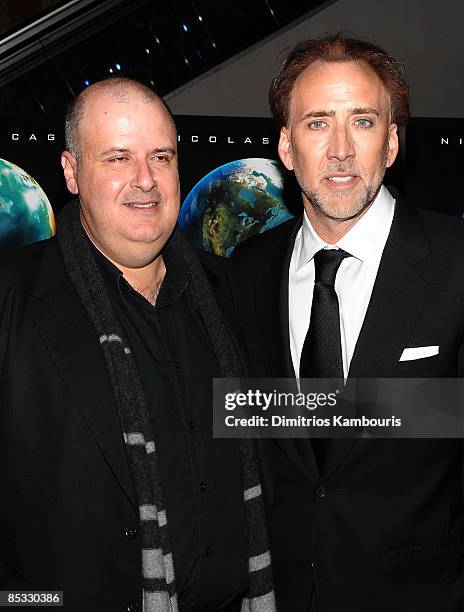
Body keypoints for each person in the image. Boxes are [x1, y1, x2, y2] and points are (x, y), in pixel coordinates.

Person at [0, 78, 275, 612]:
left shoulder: (231, 295)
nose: (146, 180)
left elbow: (297, 423)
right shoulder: (11, 298)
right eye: (118, 158)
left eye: (161, 157)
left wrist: (431, 410)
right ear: (72, 172)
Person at [230, 34, 464, 612]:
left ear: (391, 144)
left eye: (361, 121)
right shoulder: (248, 272)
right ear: (286, 147)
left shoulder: (456, 262)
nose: (339, 150)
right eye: (316, 124)